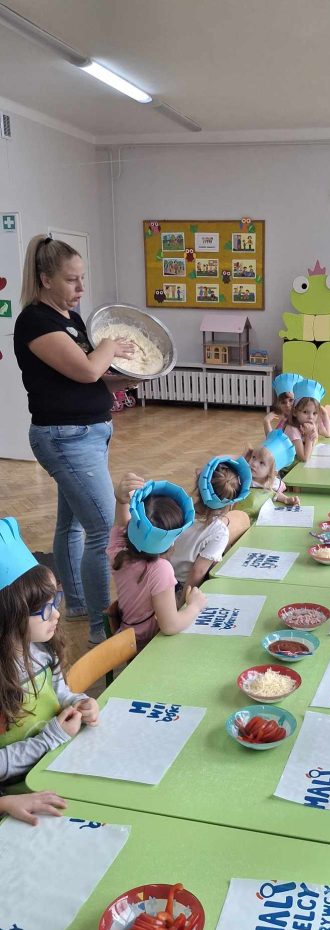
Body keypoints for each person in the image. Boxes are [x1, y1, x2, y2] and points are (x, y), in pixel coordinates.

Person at [14, 235, 136, 645]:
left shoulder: (71, 319)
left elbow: (92, 377)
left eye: (83, 278)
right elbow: (86, 370)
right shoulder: (35, 322)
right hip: (65, 438)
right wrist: (109, 347)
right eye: (71, 280)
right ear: (45, 279)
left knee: (72, 525)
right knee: (103, 529)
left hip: (87, 434)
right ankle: (101, 629)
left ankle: (80, 605)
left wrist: (127, 378)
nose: (81, 287)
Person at [0, 517, 99, 784]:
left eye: (55, 601)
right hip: (20, 789)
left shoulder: (42, 648)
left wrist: (77, 702)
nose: (56, 614)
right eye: (43, 609)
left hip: (58, 759)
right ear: (8, 617)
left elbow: (58, 693)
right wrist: (49, 739)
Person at [107, 474, 206, 651]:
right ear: (171, 539)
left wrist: (121, 500)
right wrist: (194, 606)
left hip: (126, 638)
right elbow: (170, 626)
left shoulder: (118, 549)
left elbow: (122, 524)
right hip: (146, 646)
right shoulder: (160, 569)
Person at [170, 456, 251, 590]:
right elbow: (198, 571)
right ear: (232, 503)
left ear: (199, 482)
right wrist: (182, 600)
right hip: (180, 586)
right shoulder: (219, 532)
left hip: (161, 577)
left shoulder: (178, 508)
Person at [237, 431, 300, 521]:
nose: (254, 464)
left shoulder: (273, 483)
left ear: (272, 472)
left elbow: (274, 494)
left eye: (261, 463)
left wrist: (287, 499)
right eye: (253, 457)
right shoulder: (241, 478)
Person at [283, 378, 330, 462]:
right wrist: (309, 436)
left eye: (314, 413)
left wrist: (325, 414)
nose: (311, 417)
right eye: (305, 412)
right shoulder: (292, 429)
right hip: (289, 467)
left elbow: (326, 435)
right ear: (294, 412)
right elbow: (304, 458)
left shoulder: (311, 424)